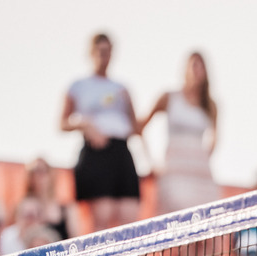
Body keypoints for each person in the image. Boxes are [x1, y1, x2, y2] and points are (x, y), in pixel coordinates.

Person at [61, 32, 141, 232]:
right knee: (102, 222)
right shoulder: (78, 86)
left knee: (130, 220)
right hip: (96, 154)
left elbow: (135, 128)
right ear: (91, 52)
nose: (103, 56)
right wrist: (84, 124)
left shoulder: (122, 88)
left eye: (107, 51)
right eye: (100, 51)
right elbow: (62, 123)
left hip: (121, 152)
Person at [138, 51, 220, 215]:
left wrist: (201, 157)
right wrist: (150, 162)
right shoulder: (169, 97)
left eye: (201, 66)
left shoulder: (211, 105)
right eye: (194, 65)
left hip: (200, 175)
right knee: (176, 223)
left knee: (203, 226)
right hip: (173, 173)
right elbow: (139, 127)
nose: (197, 70)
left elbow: (214, 138)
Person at [23, 156, 80, 240]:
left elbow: (76, 239)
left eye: (43, 171)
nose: (39, 177)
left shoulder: (66, 208)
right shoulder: (24, 207)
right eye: (35, 172)